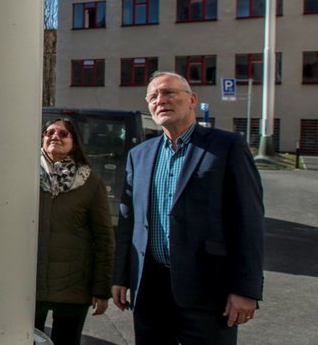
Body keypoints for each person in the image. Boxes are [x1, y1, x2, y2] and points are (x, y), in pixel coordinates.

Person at [111, 71, 264, 345]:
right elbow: (128, 222)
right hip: (150, 288)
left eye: (169, 92)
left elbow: (249, 222)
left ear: (192, 100)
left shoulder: (226, 146)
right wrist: (121, 277)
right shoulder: (140, 155)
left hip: (206, 290)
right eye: (153, 96)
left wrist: (246, 289)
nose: (161, 100)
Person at [35, 118, 115, 344]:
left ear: (74, 142)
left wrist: (101, 289)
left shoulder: (90, 182)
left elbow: (104, 238)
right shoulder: (24, 176)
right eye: (49, 132)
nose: (55, 137)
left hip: (74, 289)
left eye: (63, 134)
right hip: (31, 287)